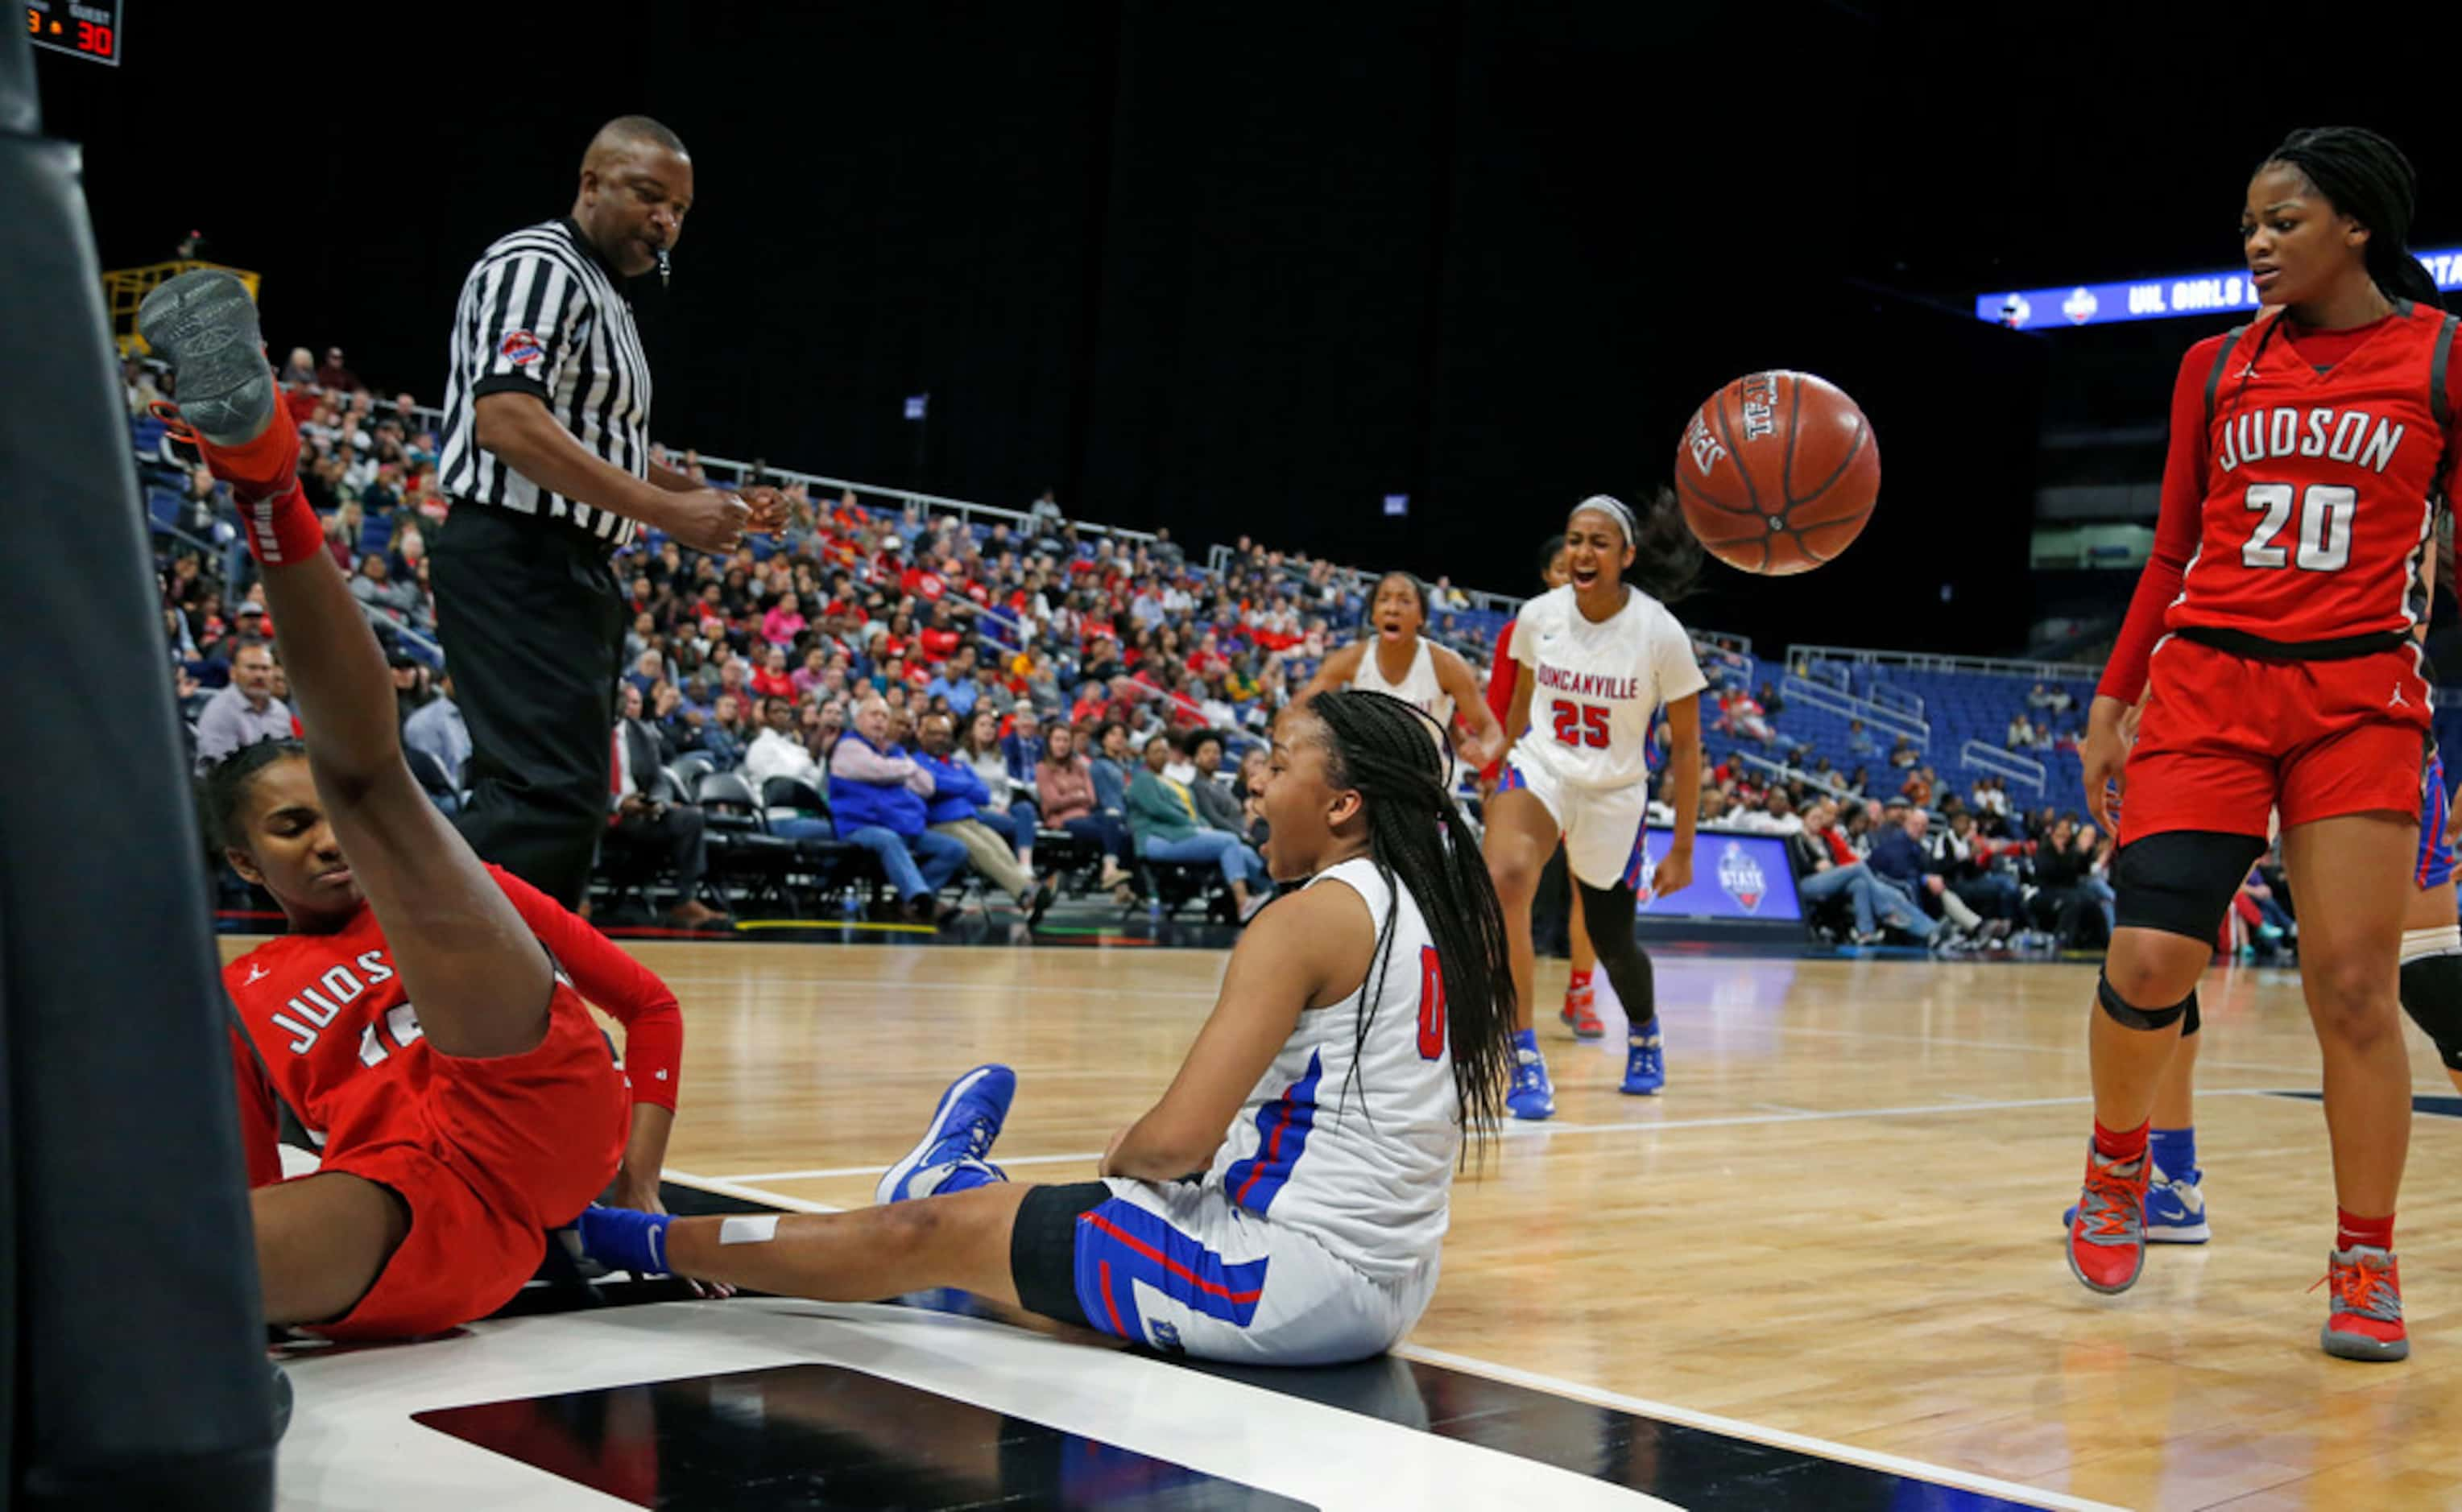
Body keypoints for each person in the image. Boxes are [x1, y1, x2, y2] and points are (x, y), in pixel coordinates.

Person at [571, 690, 1516, 1365]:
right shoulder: (1438, 911)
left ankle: (634, 1241)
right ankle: (965, 1196)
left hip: (1283, 1277)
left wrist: (1128, 1153)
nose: (1252, 781)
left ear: (1344, 803)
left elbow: (1173, 1143)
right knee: (1050, 1283)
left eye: (1275, 762)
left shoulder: (1308, 916)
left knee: (920, 1233)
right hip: (1388, 1293)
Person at [139, 271, 681, 1338]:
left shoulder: (444, 889)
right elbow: (250, 1182)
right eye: (289, 829)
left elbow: (650, 1007)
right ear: (245, 866)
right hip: (427, 1195)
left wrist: (641, 1180)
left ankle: (266, 485)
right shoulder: (238, 992)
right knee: (181, 1273)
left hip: (532, 1090)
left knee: (373, 785)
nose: (326, 844)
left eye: (320, 818)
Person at [2067, 126, 2455, 1361]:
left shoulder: (2444, 358)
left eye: (2282, 221)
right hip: (2210, 685)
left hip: (2357, 700)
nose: (2256, 243)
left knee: (2355, 987)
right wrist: (2111, 697)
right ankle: (2118, 1162)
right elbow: (2172, 544)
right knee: (2147, 959)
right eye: (2248, 224)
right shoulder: (2213, 367)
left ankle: (2364, 1258)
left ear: (2356, 225)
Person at [430, 114, 786, 911]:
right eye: (649, 196)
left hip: (570, 564)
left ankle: (512, 1001)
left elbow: (603, 444)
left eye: (681, 211)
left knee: (570, 797)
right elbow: (509, 420)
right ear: (591, 184)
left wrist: (703, 497)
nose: (666, 222)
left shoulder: (608, 299)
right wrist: (665, 510)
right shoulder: (539, 266)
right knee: (542, 793)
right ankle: (402, 978)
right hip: (515, 550)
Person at [1481, 494, 1705, 1117]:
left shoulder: (1660, 632)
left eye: (1598, 542)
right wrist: (1495, 752)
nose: (1582, 551)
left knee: (1612, 941)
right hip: (1543, 770)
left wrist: (1683, 848)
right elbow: (1523, 706)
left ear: (1626, 556)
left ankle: (1643, 1029)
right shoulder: (1538, 617)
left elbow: (1686, 749)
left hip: (1615, 793)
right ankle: (1521, 1054)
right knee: (1503, 879)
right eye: (1575, 539)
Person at [1480, 536, 1603, 1036]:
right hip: (1529, 772)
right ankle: (1501, 994)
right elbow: (1500, 700)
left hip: (1591, 776)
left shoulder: (1612, 640)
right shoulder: (1521, 629)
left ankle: (1581, 990)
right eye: (1560, 568)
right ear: (1548, 577)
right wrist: (1492, 774)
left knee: (1591, 892)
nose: (1572, 574)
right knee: (1512, 884)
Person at [1301, 571, 1505, 773]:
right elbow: (1297, 708)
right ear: (1373, 614)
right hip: (1369, 782)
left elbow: (1491, 730)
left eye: (1404, 601)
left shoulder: (1447, 664)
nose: (1392, 609)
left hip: (1425, 784)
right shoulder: (1350, 658)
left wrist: (1485, 751)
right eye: (1384, 599)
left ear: (1421, 617)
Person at [827, 696, 969, 925]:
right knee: (888, 840)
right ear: (859, 719)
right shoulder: (848, 747)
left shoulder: (892, 751)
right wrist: (908, 767)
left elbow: (927, 786)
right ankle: (921, 901)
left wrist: (901, 768)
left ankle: (907, 901)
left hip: (902, 824)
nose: (880, 721)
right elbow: (877, 770)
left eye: (884, 716)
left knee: (955, 849)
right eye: (874, 715)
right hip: (860, 826)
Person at [913, 712, 1057, 926]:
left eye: (944, 734)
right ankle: (1026, 894)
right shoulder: (917, 762)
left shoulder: (957, 764)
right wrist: (962, 786)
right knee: (983, 850)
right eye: (934, 733)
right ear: (921, 734)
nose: (940, 738)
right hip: (940, 823)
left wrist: (954, 786)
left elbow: (983, 793)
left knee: (1000, 847)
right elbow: (933, 786)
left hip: (970, 819)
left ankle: (1027, 890)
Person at [608, 684, 730, 926]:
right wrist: (619, 802)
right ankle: (580, 899)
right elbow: (582, 783)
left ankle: (685, 899)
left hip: (641, 813)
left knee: (691, 818)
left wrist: (657, 803)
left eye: (631, 699)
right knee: (585, 818)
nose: (625, 703)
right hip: (601, 811)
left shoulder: (642, 733)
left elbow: (659, 780)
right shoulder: (589, 732)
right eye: (621, 697)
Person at [1128, 730, 1271, 921]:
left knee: (1243, 851)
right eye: (1155, 751)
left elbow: (1194, 812)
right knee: (1229, 841)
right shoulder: (1142, 779)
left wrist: (1204, 826)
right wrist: (1195, 825)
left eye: (1164, 751)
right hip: (1156, 838)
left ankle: (1273, 894)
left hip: (1181, 832)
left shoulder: (1172, 781)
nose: (1161, 755)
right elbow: (1159, 810)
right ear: (1145, 755)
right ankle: (1242, 901)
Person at [1035, 725, 1135, 894]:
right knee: (1114, 829)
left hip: (1087, 816)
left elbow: (1091, 798)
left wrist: (1071, 797)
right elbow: (1053, 802)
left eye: (1066, 740)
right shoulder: (1043, 768)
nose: (1062, 744)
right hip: (1063, 821)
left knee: (1119, 825)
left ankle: (1120, 883)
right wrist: (1077, 796)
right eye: (1057, 740)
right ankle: (1111, 873)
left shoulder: (1079, 767)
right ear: (1049, 743)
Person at [193, 638, 294, 773]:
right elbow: (217, 771)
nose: (259, 675)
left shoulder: (280, 711)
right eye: (252, 668)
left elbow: (288, 758)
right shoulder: (220, 712)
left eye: (265, 669)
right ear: (233, 673)